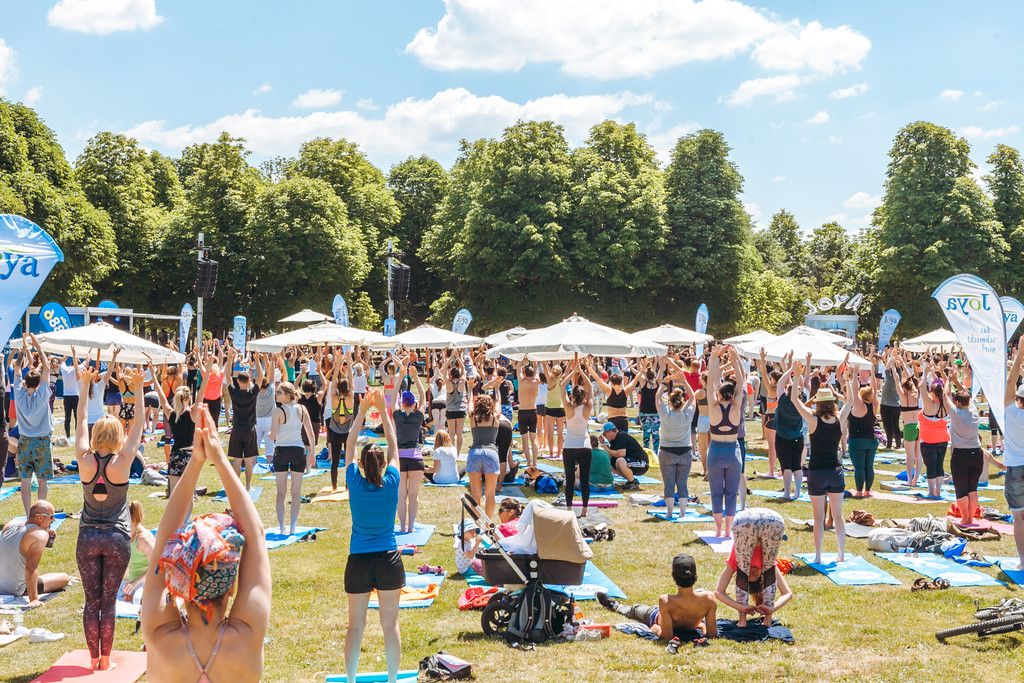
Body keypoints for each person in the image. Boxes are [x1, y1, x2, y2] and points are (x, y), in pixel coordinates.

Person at [142, 403, 271, 683]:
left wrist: (195, 462)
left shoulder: (160, 637)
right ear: (231, 586)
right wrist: (220, 459)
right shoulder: (247, 636)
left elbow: (163, 538)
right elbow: (256, 535)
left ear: (179, 582)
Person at [74, 362, 145, 671]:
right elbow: (139, 423)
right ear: (117, 435)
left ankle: (93, 659)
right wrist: (138, 389)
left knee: (92, 602)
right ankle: (105, 660)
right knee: (109, 601)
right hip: (116, 536)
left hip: (88, 535)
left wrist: (84, 387)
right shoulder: (123, 460)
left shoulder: (83, 458)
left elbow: (80, 418)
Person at [342, 389, 403, 683]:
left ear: (362, 465)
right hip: (388, 559)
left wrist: (362, 411)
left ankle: (351, 680)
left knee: (356, 627)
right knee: (390, 625)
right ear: (382, 464)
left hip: (359, 560)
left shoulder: (354, 481)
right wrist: (384, 411)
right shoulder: (391, 480)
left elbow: (349, 443)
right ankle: (392, 680)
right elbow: (393, 443)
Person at [788, 366, 846, 563]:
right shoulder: (839, 418)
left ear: (818, 403)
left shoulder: (813, 420)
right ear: (833, 402)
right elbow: (851, 402)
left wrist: (796, 374)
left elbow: (795, 400)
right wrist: (849, 380)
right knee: (838, 516)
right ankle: (841, 554)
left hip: (817, 472)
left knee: (818, 518)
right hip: (835, 471)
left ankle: (818, 556)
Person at [596, 554, 718, 641]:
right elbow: (712, 634)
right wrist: (702, 627)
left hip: (654, 617)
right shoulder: (709, 598)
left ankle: (616, 606)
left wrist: (656, 629)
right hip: (688, 622)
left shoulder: (666, 601)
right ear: (695, 575)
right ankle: (616, 605)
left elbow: (667, 636)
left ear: (673, 576)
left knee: (635, 609)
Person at [714, 508, 792, 627]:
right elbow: (788, 593)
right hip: (773, 520)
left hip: (746, 521)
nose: (751, 572)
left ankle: (742, 620)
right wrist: (771, 609)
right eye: (755, 576)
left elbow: (718, 592)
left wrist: (741, 607)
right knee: (768, 568)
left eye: (749, 575)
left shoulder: (736, 562)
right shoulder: (767, 565)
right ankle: (767, 620)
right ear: (761, 576)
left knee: (743, 569)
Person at [706, 345, 746, 537]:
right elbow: (742, 382)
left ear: (719, 394)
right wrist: (736, 359)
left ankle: (718, 529)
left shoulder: (713, 407)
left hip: (715, 452)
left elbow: (710, 382)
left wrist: (714, 358)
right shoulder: (737, 406)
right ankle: (728, 530)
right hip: (733, 452)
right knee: (731, 493)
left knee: (716, 492)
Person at [13, 333, 54, 515]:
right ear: (38, 383)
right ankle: (41, 514)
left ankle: (28, 514)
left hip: (25, 441)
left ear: (26, 382)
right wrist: (38, 346)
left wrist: (24, 348)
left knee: (25, 480)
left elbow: (16, 367)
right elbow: (47, 367)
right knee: (42, 480)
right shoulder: (43, 394)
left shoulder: (19, 393)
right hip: (42, 441)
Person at [0, 500, 70, 606]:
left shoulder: (10, 525)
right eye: (51, 517)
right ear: (40, 517)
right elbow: (30, 569)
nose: (54, 520)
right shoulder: (39, 535)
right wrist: (34, 599)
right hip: (14, 589)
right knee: (64, 578)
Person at [268, 382, 316, 536]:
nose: (276, 395)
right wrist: (313, 453)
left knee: (281, 493)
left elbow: (272, 436)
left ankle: (283, 528)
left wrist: (268, 434)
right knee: (296, 493)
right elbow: (311, 434)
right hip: (298, 451)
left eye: (279, 392)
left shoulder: (278, 411)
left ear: (287, 395)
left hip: (282, 451)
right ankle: (293, 527)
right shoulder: (302, 409)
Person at [152, 366, 206, 498]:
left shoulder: (171, 413)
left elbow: (161, 396)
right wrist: (208, 370)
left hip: (175, 454)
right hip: (188, 455)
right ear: (188, 398)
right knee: (189, 496)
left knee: (174, 495)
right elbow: (201, 393)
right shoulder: (191, 413)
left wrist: (154, 375)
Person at [943, 376, 985, 525]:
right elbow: (966, 395)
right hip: (976, 453)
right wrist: (956, 380)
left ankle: (965, 518)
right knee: (972, 488)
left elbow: (945, 395)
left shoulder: (956, 414)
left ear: (958, 402)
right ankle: (970, 518)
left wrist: (948, 379)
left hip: (961, 454)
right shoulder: (973, 412)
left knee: (961, 489)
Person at [392, 364, 426, 534]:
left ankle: (403, 526)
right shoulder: (418, 416)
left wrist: (399, 378)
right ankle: (410, 526)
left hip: (400, 458)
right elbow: (424, 397)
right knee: (413, 495)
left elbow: (393, 397)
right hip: (415, 458)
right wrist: (416, 378)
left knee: (401, 495)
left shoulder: (397, 415)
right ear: (413, 405)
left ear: (402, 403)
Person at [656, 378, 696, 519]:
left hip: (666, 452)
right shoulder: (687, 414)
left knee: (669, 484)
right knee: (682, 484)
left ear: (670, 402)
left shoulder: (665, 413)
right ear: (682, 402)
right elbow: (693, 397)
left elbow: (657, 397)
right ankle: (682, 512)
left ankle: (669, 512)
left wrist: (663, 384)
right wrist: (685, 382)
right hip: (685, 452)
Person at [227, 347, 262, 490]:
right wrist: (257, 360)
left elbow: (227, 377)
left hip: (236, 429)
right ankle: (247, 486)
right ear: (248, 381)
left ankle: (237, 487)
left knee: (236, 461)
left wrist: (230, 359)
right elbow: (260, 378)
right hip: (249, 430)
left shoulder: (234, 393)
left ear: (239, 381)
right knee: (248, 461)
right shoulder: (252, 393)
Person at [1002, 337, 1024, 569]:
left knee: (1019, 517)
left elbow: (1010, 380)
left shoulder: (1011, 412)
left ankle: (1022, 561)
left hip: (1016, 470)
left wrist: (1019, 355)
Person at [845, 355, 880, 498]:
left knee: (859, 467)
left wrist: (855, 374)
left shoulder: (860, 405)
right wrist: (872, 372)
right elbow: (875, 389)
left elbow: (854, 389)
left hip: (857, 441)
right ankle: (867, 491)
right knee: (869, 466)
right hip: (871, 440)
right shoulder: (874, 404)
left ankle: (859, 491)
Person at [562, 363, 594, 517]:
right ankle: (584, 510)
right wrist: (582, 371)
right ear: (584, 396)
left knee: (569, 480)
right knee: (585, 480)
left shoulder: (569, 408)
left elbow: (562, 387)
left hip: (570, 447)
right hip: (584, 446)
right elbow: (591, 387)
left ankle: (569, 509)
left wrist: (571, 371)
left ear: (572, 396)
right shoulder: (587, 407)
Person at [773, 357, 805, 501]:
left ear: (787, 391)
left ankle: (786, 492)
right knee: (797, 466)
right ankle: (797, 492)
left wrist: (791, 369)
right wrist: (798, 373)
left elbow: (780, 382)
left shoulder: (783, 400)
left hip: (782, 438)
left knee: (786, 466)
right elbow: (802, 385)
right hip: (798, 438)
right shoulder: (801, 402)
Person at [918, 362, 951, 500]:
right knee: (939, 465)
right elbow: (948, 386)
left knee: (931, 466)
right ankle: (938, 491)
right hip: (943, 439)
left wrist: (925, 372)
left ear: (932, 392)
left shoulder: (929, 404)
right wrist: (943, 373)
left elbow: (921, 386)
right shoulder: (946, 404)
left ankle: (932, 492)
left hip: (928, 440)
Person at [466, 393, 501, 519]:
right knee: (490, 494)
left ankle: (477, 524)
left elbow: (469, 405)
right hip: (491, 454)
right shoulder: (495, 417)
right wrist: (497, 388)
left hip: (475, 453)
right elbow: (499, 403)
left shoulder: (473, 417)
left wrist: (470, 390)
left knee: (475, 494)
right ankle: (488, 524)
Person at [892, 353, 923, 491]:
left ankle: (910, 480)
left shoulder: (903, 397)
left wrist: (894, 366)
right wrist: (903, 365)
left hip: (909, 427)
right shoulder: (916, 394)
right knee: (918, 456)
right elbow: (911, 377)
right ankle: (916, 479)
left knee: (909, 456)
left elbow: (896, 379)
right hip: (919, 426)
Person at [326, 352, 355, 491]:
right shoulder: (350, 397)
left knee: (335, 461)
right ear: (347, 388)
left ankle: (334, 485)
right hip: (348, 432)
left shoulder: (334, 397)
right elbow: (351, 381)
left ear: (337, 387)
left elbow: (333, 380)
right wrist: (348, 362)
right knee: (349, 460)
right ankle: (348, 486)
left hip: (336, 432)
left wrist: (338, 363)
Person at [589, 362, 641, 434]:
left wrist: (589, 367)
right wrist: (642, 369)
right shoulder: (625, 390)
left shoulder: (609, 390)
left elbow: (597, 378)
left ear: (611, 382)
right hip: (623, 419)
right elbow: (635, 379)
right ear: (621, 382)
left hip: (613, 419)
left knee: (613, 440)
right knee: (623, 439)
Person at [120, 500, 155, 602]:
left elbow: (157, 567)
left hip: (147, 582)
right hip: (132, 582)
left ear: (132, 520)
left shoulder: (144, 539)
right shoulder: (127, 535)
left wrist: (136, 582)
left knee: (136, 599)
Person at [756, 349, 781, 479]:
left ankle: (771, 471)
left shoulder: (771, 389)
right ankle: (781, 470)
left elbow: (763, 372)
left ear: (774, 380)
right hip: (780, 418)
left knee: (772, 447)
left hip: (770, 417)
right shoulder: (783, 389)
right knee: (781, 445)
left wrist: (762, 358)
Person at [601, 422, 646, 491]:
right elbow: (611, 456)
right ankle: (630, 480)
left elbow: (621, 454)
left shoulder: (621, 436)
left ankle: (633, 482)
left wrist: (607, 449)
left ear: (610, 432)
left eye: (604, 434)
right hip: (632, 461)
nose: (604, 436)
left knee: (620, 461)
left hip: (642, 463)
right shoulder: (614, 439)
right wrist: (603, 443)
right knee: (610, 464)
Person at [516, 361, 541, 468]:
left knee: (525, 439)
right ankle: (534, 462)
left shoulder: (522, 382)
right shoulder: (536, 382)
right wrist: (535, 364)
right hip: (533, 411)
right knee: (533, 439)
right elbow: (536, 372)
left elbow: (518, 367)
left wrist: (523, 360)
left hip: (523, 411)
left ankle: (529, 461)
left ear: (524, 374)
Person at [445, 356, 469, 456]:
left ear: (451, 374)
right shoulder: (462, 381)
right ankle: (458, 453)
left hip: (450, 410)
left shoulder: (448, 382)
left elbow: (444, 368)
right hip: (461, 410)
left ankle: (452, 453)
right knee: (459, 433)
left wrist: (451, 357)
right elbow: (463, 368)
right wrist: (458, 357)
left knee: (451, 433)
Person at [637, 362, 663, 452]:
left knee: (646, 434)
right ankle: (655, 452)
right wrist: (661, 362)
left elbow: (639, 372)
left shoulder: (643, 383)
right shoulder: (658, 383)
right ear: (654, 375)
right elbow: (661, 370)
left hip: (644, 413)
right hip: (656, 412)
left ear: (646, 376)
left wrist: (639, 360)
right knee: (656, 434)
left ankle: (646, 451)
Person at [544, 363, 568, 456]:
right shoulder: (562, 380)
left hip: (550, 408)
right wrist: (570, 362)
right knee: (560, 432)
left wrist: (544, 362)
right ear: (560, 373)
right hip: (560, 408)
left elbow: (545, 369)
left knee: (550, 432)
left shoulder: (550, 380)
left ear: (552, 372)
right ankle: (558, 453)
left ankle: (551, 453)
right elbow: (567, 371)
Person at [59, 356, 80, 440]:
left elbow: (62, 361)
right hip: (75, 396)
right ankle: (78, 436)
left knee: (67, 418)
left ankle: (68, 436)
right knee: (77, 417)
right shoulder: (78, 369)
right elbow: (87, 361)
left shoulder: (65, 369)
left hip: (66, 396)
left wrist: (67, 354)